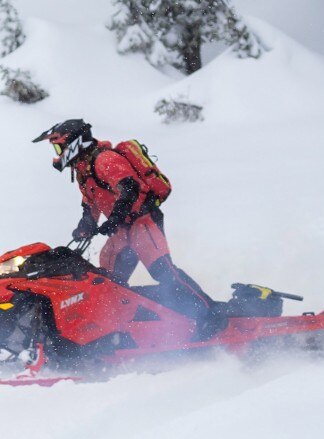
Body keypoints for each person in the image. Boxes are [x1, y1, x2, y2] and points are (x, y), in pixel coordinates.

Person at [33, 119, 225, 340]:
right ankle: (114, 330)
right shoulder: (83, 170)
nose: (58, 154)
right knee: (107, 282)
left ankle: (211, 316)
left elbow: (130, 187)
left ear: (73, 142)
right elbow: (90, 204)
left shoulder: (104, 159)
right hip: (121, 230)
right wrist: (86, 226)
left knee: (163, 270)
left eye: (59, 148)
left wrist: (115, 217)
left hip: (142, 222)